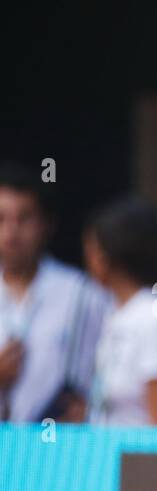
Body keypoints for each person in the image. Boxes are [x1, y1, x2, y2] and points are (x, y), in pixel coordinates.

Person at [0, 162, 111, 424]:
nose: (11, 232)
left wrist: (96, 411)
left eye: (24, 218)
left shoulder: (83, 294)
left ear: (47, 225)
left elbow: (116, 367)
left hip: (62, 449)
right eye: (1, 219)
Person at [83, 197, 157, 426]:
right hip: (110, 458)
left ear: (106, 256)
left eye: (92, 247)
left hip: (142, 462)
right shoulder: (118, 314)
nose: (88, 257)